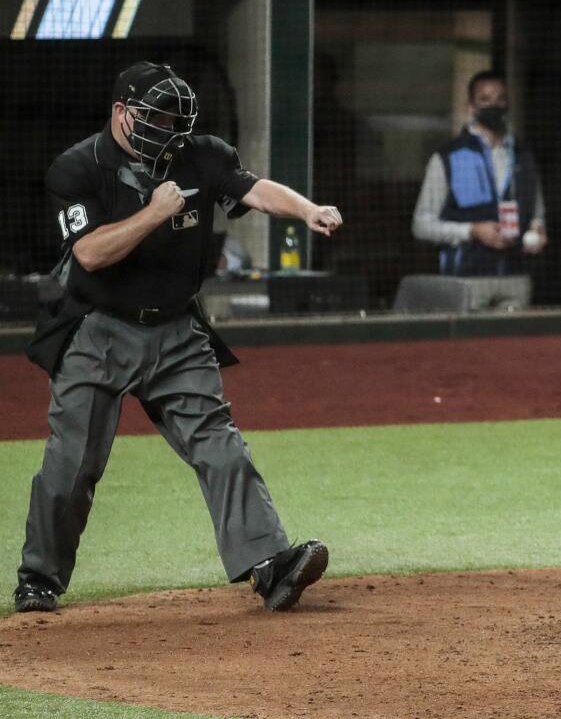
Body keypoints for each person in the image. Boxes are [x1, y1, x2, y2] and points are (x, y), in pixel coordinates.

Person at [16, 61, 340, 614]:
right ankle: (39, 579)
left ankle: (271, 565)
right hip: (97, 330)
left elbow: (253, 189)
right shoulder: (76, 168)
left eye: (176, 118)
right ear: (122, 114)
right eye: (156, 116)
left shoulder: (202, 153)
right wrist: (153, 212)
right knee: (73, 464)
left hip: (176, 329)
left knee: (219, 442)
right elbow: (90, 254)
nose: (169, 128)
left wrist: (306, 210)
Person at [412, 70, 547, 276]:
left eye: (500, 99)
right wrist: (472, 231)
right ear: (471, 107)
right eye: (485, 99)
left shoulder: (523, 156)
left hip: (516, 276)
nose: (494, 106)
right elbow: (421, 225)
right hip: (465, 278)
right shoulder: (448, 157)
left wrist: (537, 231)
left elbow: (537, 215)